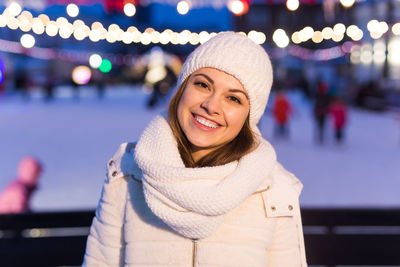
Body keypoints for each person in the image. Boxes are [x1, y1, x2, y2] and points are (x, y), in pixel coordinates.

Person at [83, 32, 307, 267]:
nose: (211, 106)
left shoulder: (274, 190)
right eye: (202, 84)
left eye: (233, 99)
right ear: (182, 89)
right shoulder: (127, 174)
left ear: (249, 117)